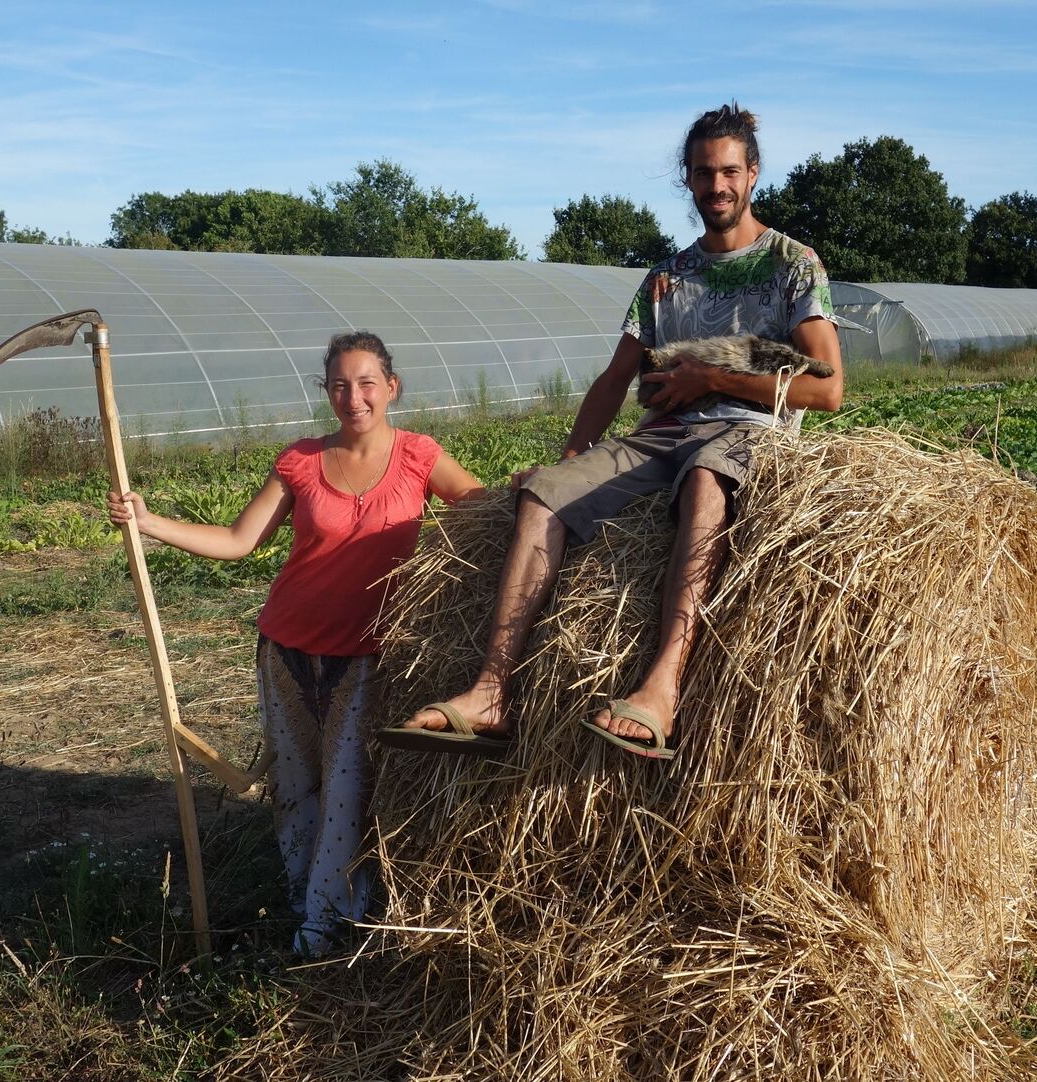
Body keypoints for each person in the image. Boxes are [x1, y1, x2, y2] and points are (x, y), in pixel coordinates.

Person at [379, 102, 842, 762]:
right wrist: (569, 463)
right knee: (542, 494)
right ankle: (491, 692)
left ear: (753, 174)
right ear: (687, 178)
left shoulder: (793, 265)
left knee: (707, 481)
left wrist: (710, 380)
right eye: (705, 173)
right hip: (665, 431)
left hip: (747, 431)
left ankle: (662, 689)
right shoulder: (666, 279)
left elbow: (827, 389)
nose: (717, 187)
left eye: (730, 172)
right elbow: (615, 377)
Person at [108, 331, 484, 954]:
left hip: (366, 655)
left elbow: (482, 507)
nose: (353, 397)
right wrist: (148, 522)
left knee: (346, 785)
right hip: (286, 646)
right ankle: (303, 897)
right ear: (326, 391)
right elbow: (237, 540)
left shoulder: (419, 456)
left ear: (391, 387)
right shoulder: (300, 462)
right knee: (296, 785)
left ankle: (327, 921)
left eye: (366, 383)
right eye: (339, 384)